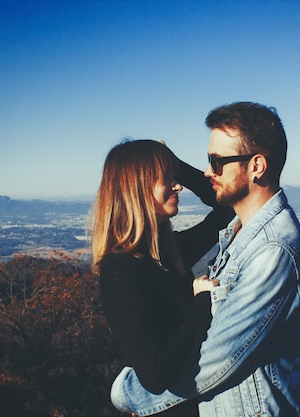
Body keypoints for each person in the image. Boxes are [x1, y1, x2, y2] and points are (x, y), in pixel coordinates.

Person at [110, 102, 300, 417]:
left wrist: (125, 392)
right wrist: (174, 164)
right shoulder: (239, 232)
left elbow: (215, 363)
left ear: (257, 166)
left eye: (217, 161)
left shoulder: (272, 249)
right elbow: (222, 206)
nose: (208, 171)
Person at [90, 139, 233, 417]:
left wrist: (175, 164)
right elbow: (155, 376)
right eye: (166, 179)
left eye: (174, 178)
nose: (177, 186)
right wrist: (202, 303)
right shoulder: (121, 271)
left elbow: (227, 209)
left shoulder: (167, 253)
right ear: (138, 188)